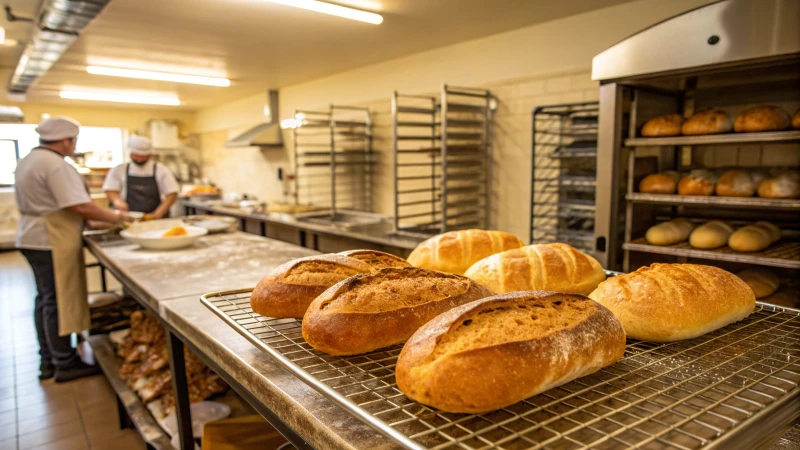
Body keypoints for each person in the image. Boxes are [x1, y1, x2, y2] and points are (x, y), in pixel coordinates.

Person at [15, 117, 129, 382]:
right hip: (51, 238)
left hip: (32, 236)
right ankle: (65, 363)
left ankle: (49, 360)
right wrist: (117, 217)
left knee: (44, 299)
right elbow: (78, 205)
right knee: (57, 300)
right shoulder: (55, 165)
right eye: (74, 141)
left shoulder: (29, 160)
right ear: (66, 140)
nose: (73, 146)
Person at [103, 136, 179, 220]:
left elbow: (172, 193)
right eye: (136, 155)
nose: (140, 159)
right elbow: (110, 190)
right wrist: (117, 201)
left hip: (156, 219)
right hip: (129, 218)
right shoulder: (119, 170)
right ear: (131, 153)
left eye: (143, 156)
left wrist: (158, 214)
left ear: (150, 154)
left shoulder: (161, 169)